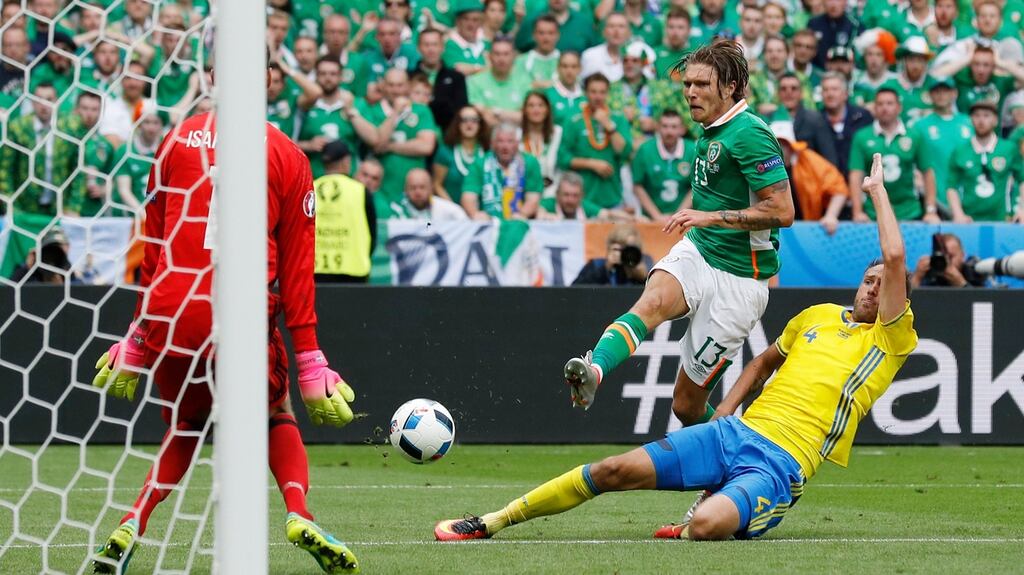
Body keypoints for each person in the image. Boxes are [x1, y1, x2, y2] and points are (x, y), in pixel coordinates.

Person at [436, 153, 917, 544]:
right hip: (735, 433)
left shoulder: (892, 336)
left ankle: (717, 516)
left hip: (781, 463)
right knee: (612, 470)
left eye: (882, 285)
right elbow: (762, 364)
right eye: (868, 280)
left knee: (707, 526)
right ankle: (493, 520)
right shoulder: (817, 316)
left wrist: (876, 193)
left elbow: (895, 256)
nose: (873, 288)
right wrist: (724, 413)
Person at [90, 92, 360, 573]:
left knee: (187, 423)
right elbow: (298, 270)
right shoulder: (287, 153)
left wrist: (136, 336)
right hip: (240, 310)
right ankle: (299, 513)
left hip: (172, 310)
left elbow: (152, 244)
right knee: (276, 410)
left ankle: (133, 520)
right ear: (268, 80)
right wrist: (309, 357)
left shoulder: (174, 140)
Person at [562, 40, 794, 436]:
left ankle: (742, 456)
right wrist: (705, 225)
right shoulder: (708, 130)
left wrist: (709, 217)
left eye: (702, 84)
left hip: (741, 281)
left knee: (686, 407)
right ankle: (595, 371)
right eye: (688, 84)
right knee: (651, 301)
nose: (690, 92)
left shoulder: (751, 134)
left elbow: (783, 211)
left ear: (731, 87)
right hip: (699, 251)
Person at [848, 84, 936, 223]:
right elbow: (855, 174)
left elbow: (928, 172)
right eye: (880, 104)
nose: (885, 108)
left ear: (899, 107)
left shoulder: (914, 135)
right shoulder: (862, 136)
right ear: (874, 108)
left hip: (909, 211)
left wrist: (931, 211)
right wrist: (857, 211)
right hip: (873, 213)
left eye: (889, 103)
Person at [353, 68, 438, 203]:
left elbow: (426, 146)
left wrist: (390, 146)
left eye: (400, 85)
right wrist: (395, 112)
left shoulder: (421, 110)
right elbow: (378, 143)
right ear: (383, 86)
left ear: (408, 86)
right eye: (391, 85)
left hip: (413, 191)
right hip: (380, 191)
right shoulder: (372, 110)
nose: (395, 90)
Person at [557, 73, 632, 209]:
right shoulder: (573, 120)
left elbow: (624, 152)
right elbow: (563, 159)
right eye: (593, 92)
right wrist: (591, 164)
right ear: (585, 93)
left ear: (608, 94)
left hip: (612, 197)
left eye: (602, 92)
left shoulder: (618, 119)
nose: (598, 97)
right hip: (582, 201)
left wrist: (609, 125)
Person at [314, 141, 377, 284]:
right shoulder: (360, 191)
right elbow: (372, 234)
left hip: (315, 270)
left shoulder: (310, 188)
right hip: (353, 271)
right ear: (346, 161)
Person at [946, 101, 1019, 223]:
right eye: (977, 115)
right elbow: (951, 186)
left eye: (986, 115)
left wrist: (1021, 209)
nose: (981, 120)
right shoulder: (960, 151)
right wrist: (958, 213)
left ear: (995, 120)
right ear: (971, 120)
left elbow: (1022, 180)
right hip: (969, 221)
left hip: (1003, 220)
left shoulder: (1009, 149)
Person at [771, 121, 848, 235]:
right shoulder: (760, 164)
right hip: (773, 229)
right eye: (776, 144)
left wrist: (831, 216)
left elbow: (839, 189)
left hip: (807, 229)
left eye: (784, 144)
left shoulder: (808, 160)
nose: (780, 149)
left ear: (792, 146)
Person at [910, 76, 972, 214]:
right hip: (934, 199)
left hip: (968, 198)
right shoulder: (919, 126)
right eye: (936, 91)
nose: (941, 95)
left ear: (954, 93)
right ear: (930, 95)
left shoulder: (968, 123)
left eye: (945, 91)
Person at [461, 122, 543, 220]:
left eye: (510, 141)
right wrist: (475, 213)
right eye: (500, 141)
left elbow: (533, 198)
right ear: (493, 143)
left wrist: (522, 214)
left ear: (517, 143)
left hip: (519, 221)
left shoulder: (530, 162)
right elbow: (468, 196)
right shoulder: (479, 163)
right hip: (488, 222)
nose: (505, 146)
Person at [631, 110, 694, 223]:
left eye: (674, 127)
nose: (669, 131)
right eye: (665, 126)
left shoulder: (693, 150)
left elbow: (696, 187)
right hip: (651, 219)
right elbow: (637, 186)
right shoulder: (644, 150)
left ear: (682, 129)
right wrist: (657, 216)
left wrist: (678, 216)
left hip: (684, 219)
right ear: (657, 128)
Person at [411, 27, 469, 130]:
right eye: (426, 45)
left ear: (442, 48)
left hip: (447, 132)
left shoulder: (456, 78)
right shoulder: (408, 77)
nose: (431, 50)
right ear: (418, 48)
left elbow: (460, 111)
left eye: (435, 44)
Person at [775, 72, 838, 167]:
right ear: (778, 93)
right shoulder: (767, 119)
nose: (789, 92)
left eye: (794, 88)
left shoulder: (815, 119)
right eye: (783, 89)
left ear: (801, 93)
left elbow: (829, 158)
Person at [467, 36, 531, 126]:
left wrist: (496, 112)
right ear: (489, 56)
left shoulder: (524, 81)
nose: (501, 59)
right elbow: (482, 116)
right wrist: (513, 115)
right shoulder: (475, 81)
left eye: (506, 54)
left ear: (514, 56)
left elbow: (527, 117)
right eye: (497, 54)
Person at [820, 72, 873, 177]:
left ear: (845, 94)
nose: (830, 94)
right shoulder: (815, 121)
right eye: (825, 90)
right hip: (828, 181)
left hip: (861, 179)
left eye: (834, 89)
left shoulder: (862, 117)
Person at [433, 105, 489, 204]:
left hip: (481, 211)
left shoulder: (487, 152)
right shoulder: (445, 151)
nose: (469, 124)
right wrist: (454, 209)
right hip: (451, 210)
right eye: (464, 120)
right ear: (457, 124)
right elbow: (437, 185)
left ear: (480, 124)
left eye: (474, 120)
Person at [571, 223, 650, 285]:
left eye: (629, 249)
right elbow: (574, 290)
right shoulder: (597, 265)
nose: (624, 253)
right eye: (619, 249)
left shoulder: (645, 262)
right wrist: (605, 269)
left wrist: (643, 277)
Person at [380, 167, 468, 220]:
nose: (418, 192)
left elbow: (465, 228)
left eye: (422, 187)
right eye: (413, 188)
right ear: (405, 190)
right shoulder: (396, 208)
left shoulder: (450, 210)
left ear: (431, 189)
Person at [519, 91, 562, 195]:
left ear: (547, 109)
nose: (536, 110)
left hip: (552, 191)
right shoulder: (517, 135)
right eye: (531, 106)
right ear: (525, 110)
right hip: (524, 191)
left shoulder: (558, 133)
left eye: (540, 105)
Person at [911, 232, 987, 288]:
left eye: (950, 257)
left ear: (962, 255)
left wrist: (961, 283)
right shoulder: (928, 272)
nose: (947, 262)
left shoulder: (972, 272)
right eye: (943, 258)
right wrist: (917, 277)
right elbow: (908, 301)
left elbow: (982, 302)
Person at [513, 14, 560, 89]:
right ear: (533, 35)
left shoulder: (567, 63)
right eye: (541, 33)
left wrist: (537, 85)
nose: (546, 38)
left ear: (558, 35)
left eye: (550, 33)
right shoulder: (521, 62)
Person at [580, 12, 629, 82]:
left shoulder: (637, 55)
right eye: (611, 26)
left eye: (621, 26)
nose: (616, 31)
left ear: (628, 32)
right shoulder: (590, 56)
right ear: (604, 31)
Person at [807, 0, 856, 70]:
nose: (833, 5)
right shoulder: (813, 24)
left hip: (845, 73)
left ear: (845, 2)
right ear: (823, 2)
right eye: (829, 0)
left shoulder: (855, 25)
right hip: (818, 71)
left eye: (838, 0)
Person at [544, 51, 585, 127]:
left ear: (580, 69)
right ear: (558, 68)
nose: (569, 71)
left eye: (574, 66)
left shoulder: (587, 96)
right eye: (565, 66)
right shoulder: (547, 95)